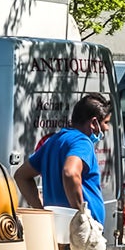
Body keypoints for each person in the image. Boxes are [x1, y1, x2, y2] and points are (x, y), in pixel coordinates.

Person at [15, 93, 111, 224]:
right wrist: (81, 217)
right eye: (105, 122)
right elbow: (70, 172)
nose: (107, 128)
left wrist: (42, 211)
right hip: (80, 235)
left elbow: (21, 176)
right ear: (94, 123)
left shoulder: (54, 141)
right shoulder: (82, 141)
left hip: (60, 229)